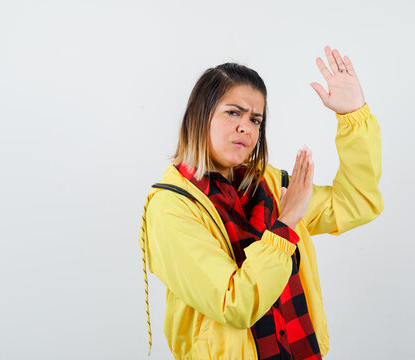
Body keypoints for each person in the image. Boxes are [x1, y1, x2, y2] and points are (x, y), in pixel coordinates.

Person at [138, 45, 383, 359]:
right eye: (233, 113)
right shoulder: (171, 208)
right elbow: (235, 304)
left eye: (256, 120)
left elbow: (356, 203)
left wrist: (353, 116)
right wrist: (286, 224)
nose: (246, 127)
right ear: (200, 116)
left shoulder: (270, 185)